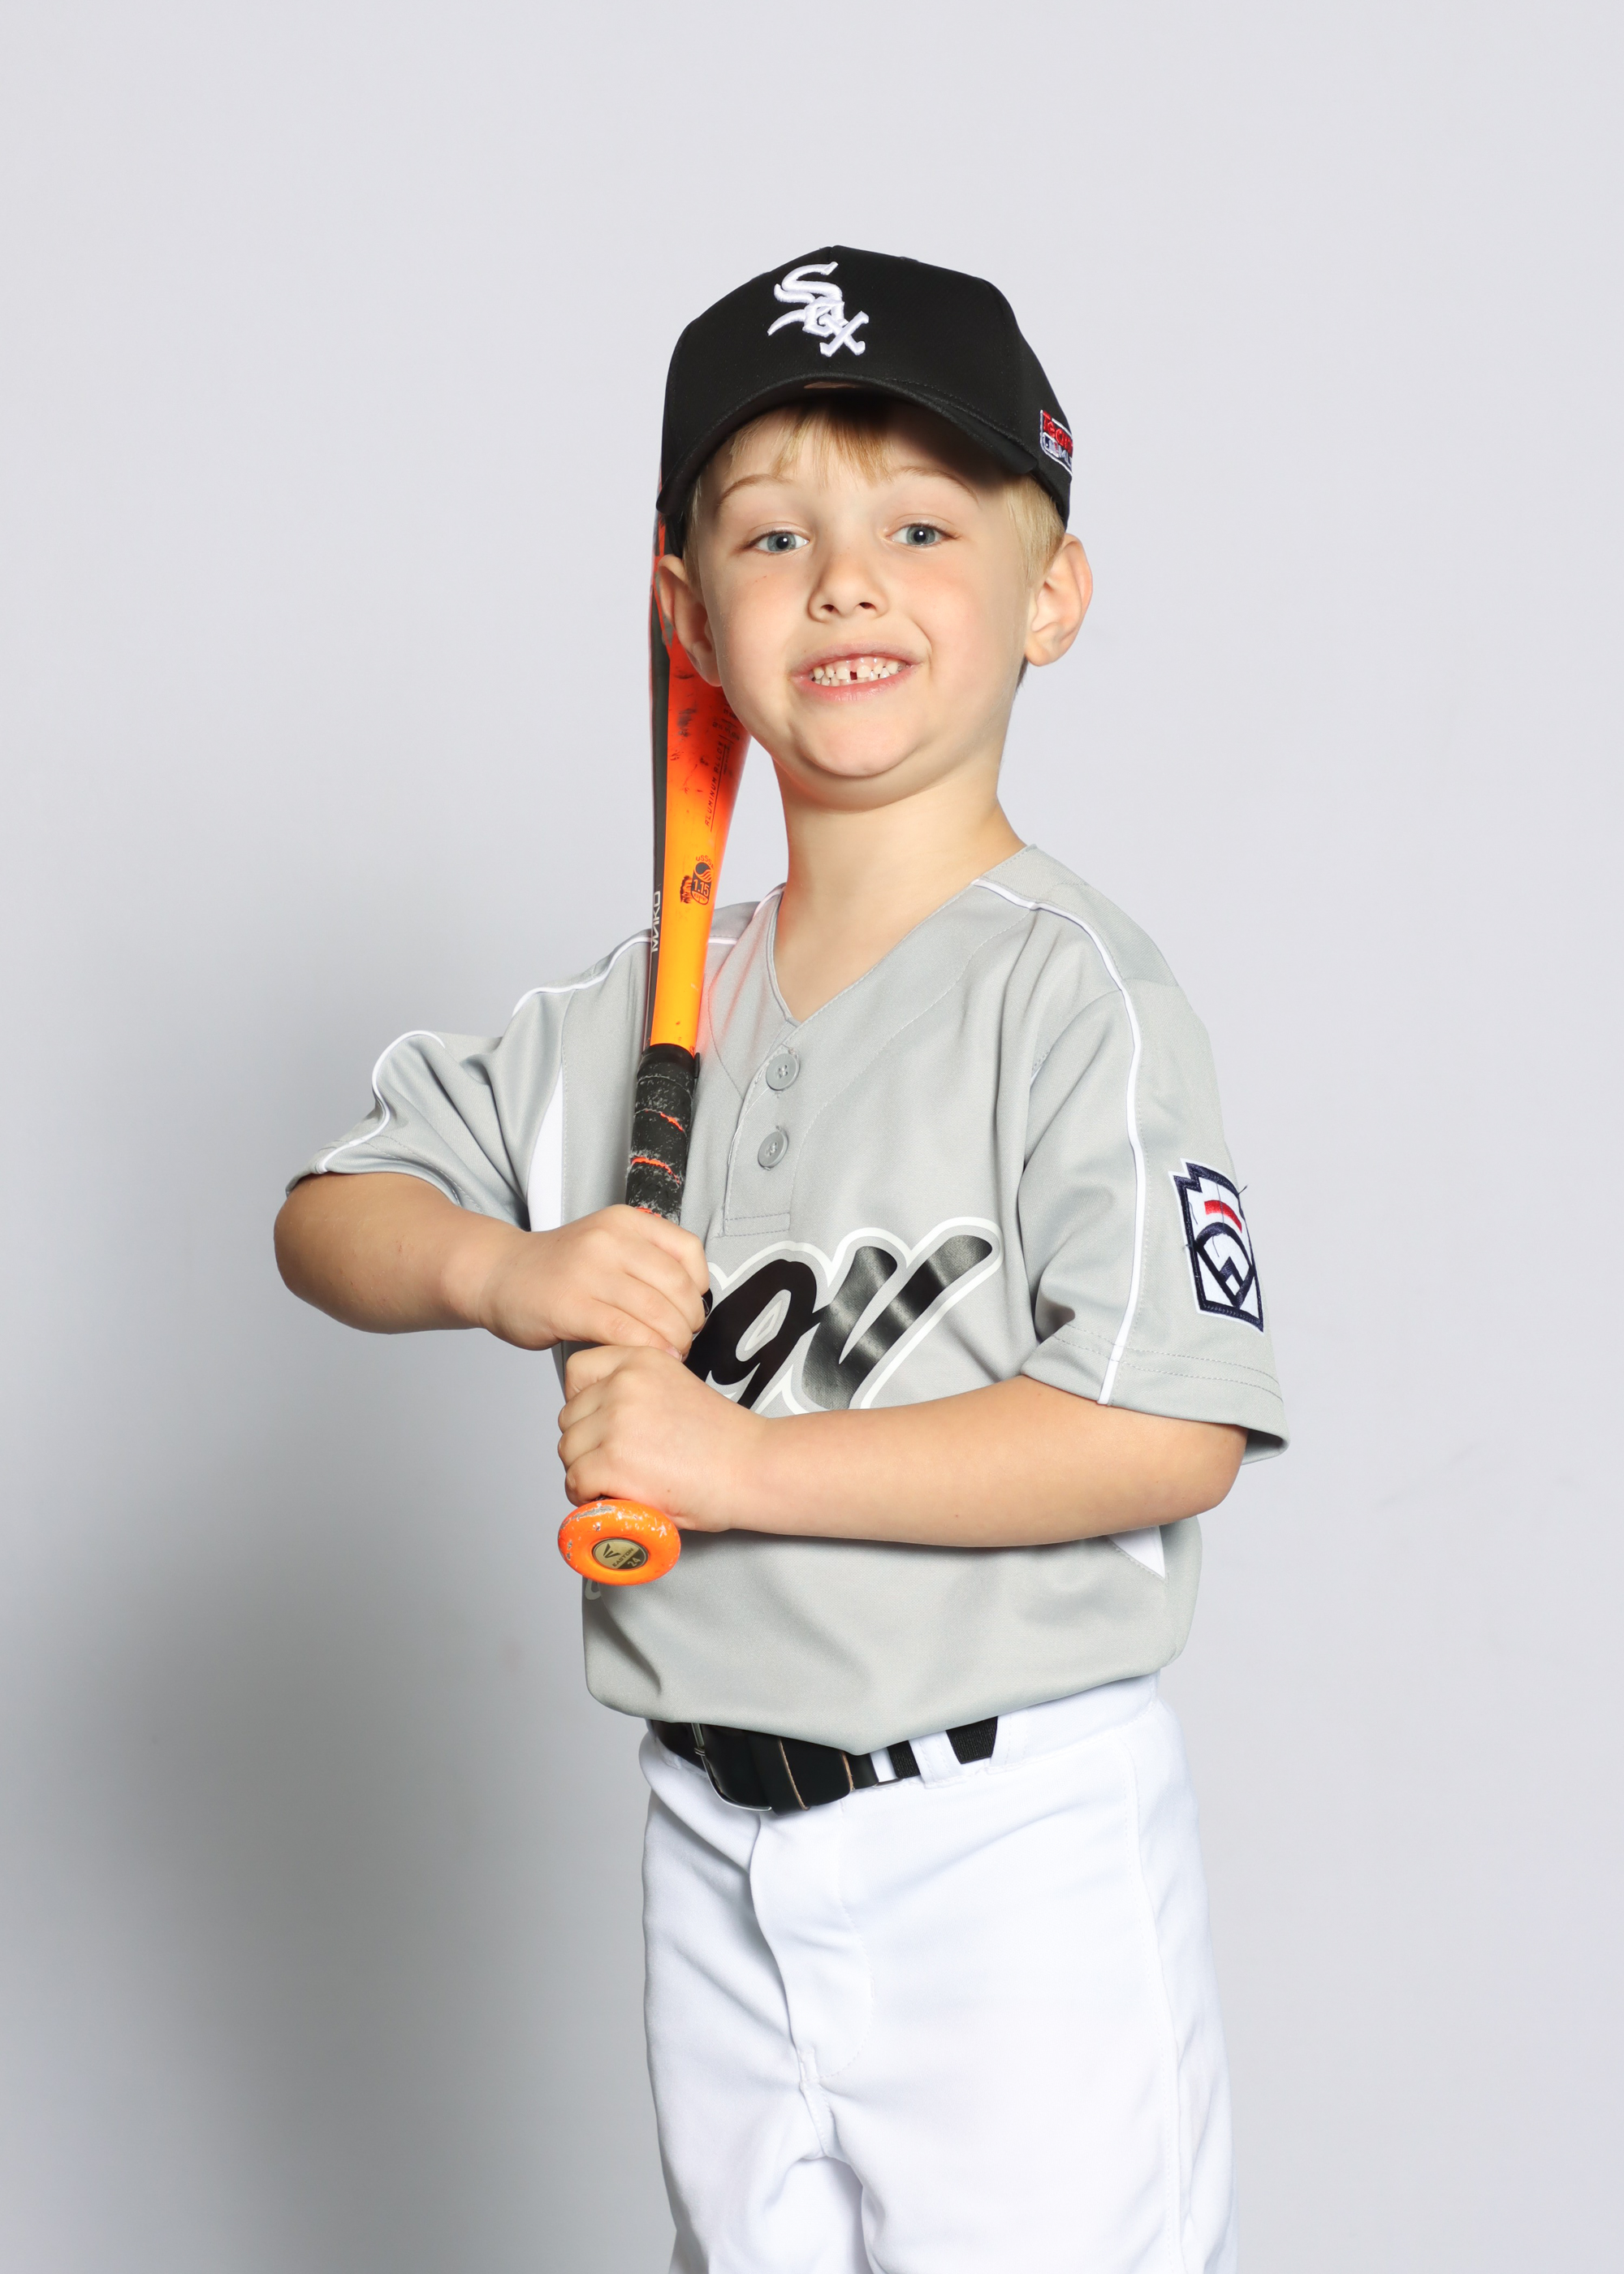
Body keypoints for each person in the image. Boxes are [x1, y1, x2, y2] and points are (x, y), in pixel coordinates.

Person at [276, 246, 1287, 2273]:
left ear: (1050, 593)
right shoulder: (644, 1002)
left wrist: (735, 1462)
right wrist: (506, 1272)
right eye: (771, 534)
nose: (842, 582)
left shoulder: (1073, 994)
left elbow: (1161, 1426)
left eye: (921, 524)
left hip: (1009, 1847)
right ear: (687, 611)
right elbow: (327, 1216)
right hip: (711, 1839)